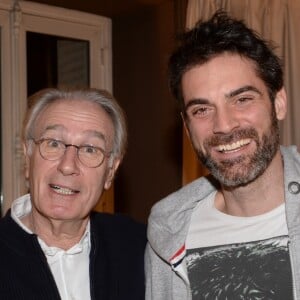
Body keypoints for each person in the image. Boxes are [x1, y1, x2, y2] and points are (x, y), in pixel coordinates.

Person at [145, 10, 300, 299]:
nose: (224, 125)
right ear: (187, 127)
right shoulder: (167, 231)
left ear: (278, 103)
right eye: (202, 110)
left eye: (242, 99)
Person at [0, 87, 146, 299]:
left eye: (89, 149)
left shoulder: (141, 248)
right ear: (28, 156)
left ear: (110, 172)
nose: (68, 166)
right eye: (53, 143)